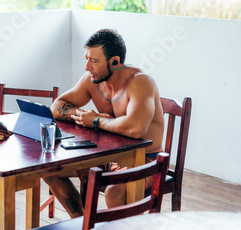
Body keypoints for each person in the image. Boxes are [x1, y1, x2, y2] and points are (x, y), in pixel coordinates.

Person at [43, 28, 164, 218]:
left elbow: (136, 128)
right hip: (107, 157)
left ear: (115, 62)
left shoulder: (140, 82)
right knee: (50, 170)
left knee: (114, 192)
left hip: (144, 161)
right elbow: (57, 107)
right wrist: (83, 116)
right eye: (87, 58)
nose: (87, 67)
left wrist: (96, 121)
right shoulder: (93, 81)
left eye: (94, 61)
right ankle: (83, 223)